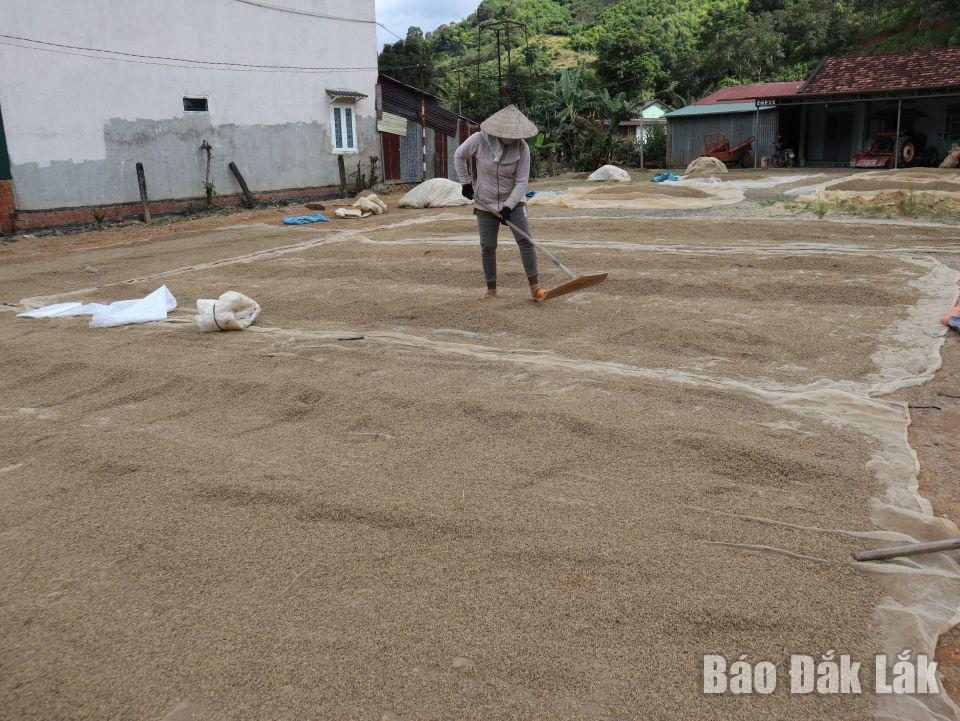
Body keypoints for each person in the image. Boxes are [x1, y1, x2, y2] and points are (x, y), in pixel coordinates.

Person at [453, 105, 546, 301]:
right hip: (484, 201)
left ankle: (535, 288)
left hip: (513, 199)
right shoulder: (479, 140)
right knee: (487, 246)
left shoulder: (522, 148)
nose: (510, 139)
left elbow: (522, 181)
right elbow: (459, 155)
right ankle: (491, 289)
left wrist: (508, 206)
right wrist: (465, 182)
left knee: (526, 241)